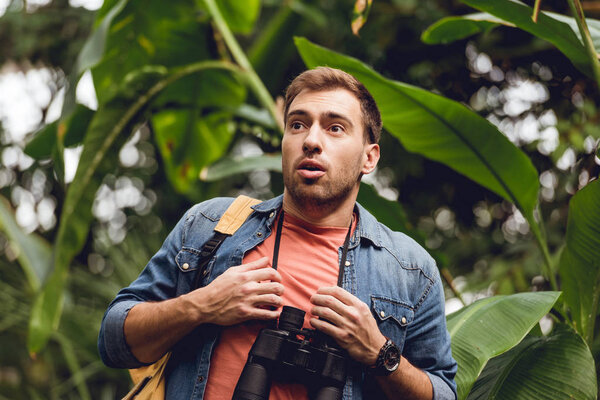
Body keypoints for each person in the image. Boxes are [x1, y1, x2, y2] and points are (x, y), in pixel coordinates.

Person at [98, 67, 457, 400]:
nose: (311, 140)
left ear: (370, 158)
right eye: (298, 125)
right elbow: (113, 340)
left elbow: (444, 391)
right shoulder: (211, 224)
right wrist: (202, 306)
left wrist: (379, 353)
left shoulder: (410, 270)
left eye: (335, 128)